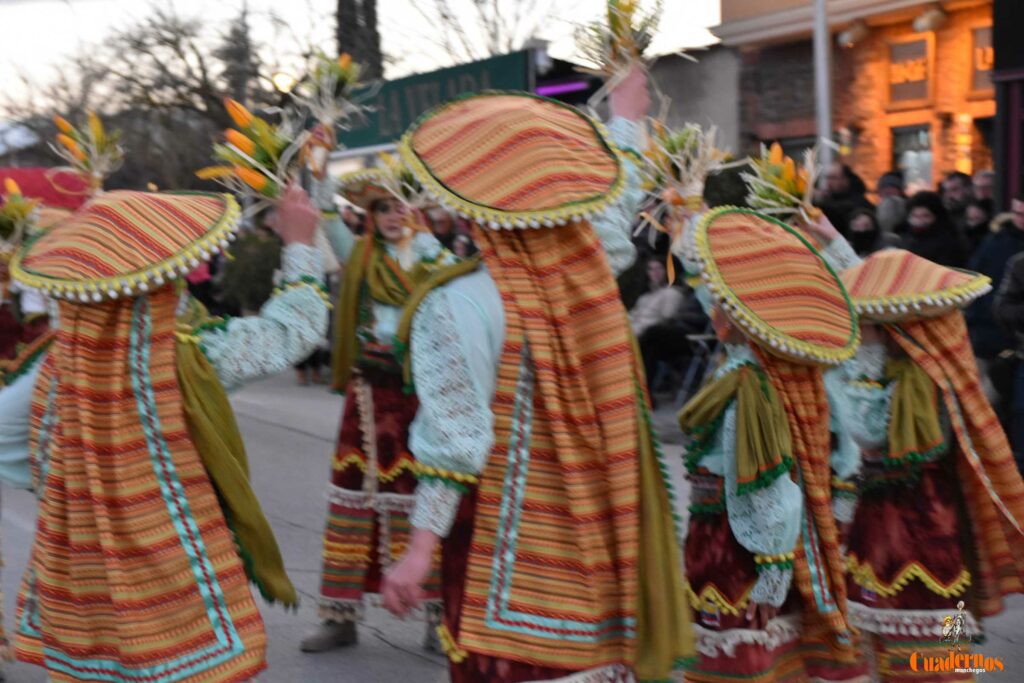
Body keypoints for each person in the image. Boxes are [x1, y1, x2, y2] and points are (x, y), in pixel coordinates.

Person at [383, 69, 694, 682]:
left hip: (504, 548)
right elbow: (609, 219)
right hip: (595, 529)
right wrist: (625, 119)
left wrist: (420, 549)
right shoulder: (585, 275)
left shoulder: (458, 304)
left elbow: (456, 443)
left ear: (471, 208)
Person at [6, 185, 329, 682]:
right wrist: (301, 246)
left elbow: (8, 441)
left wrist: (81, 491)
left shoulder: (54, 367)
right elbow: (292, 331)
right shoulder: (184, 356)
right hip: (173, 576)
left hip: (87, 584)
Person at [675, 207, 866, 683]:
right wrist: (688, 219)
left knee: (742, 660)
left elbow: (768, 487)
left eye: (724, 301)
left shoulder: (749, 386)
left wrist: (773, 571)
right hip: (733, 535)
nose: (713, 306)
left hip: (737, 543)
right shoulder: (760, 362)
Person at [837, 249, 1024, 679]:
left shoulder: (909, 380)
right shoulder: (925, 370)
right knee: (931, 605)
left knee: (922, 605)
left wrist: (862, 363)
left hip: (910, 513)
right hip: (918, 507)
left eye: (867, 325)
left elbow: (867, 434)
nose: (859, 331)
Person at [301, 166, 456, 653]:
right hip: (369, 397)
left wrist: (428, 248)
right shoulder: (360, 254)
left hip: (422, 393)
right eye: (384, 207)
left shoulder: (436, 258)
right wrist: (320, 170)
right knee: (353, 498)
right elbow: (326, 218)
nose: (394, 215)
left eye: (403, 205)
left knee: (427, 500)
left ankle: (438, 618)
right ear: (370, 215)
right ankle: (340, 617)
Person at [900, 191, 970, 268]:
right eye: (915, 216)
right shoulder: (906, 236)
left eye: (925, 216)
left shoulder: (948, 241)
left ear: (936, 216)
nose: (919, 220)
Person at [814, 162, 874, 237]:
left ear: (845, 180)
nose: (829, 182)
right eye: (827, 177)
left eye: (833, 178)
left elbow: (837, 210)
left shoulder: (857, 200)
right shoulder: (830, 198)